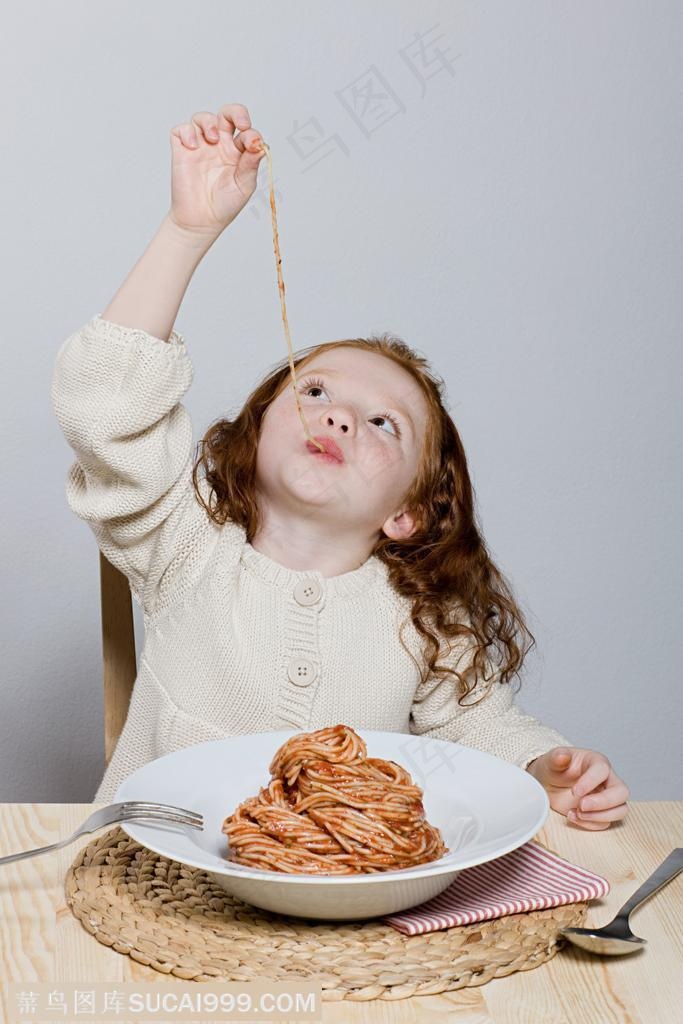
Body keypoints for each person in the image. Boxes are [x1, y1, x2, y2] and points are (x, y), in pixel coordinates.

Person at [51, 102, 630, 830]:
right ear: (255, 434)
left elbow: (474, 729)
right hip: (155, 886)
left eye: (382, 422)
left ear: (407, 511)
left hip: (342, 910)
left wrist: (545, 770)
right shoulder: (186, 547)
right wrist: (187, 230)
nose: (338, 416)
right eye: (315, 391)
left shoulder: (421, 619)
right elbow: (104, 407)